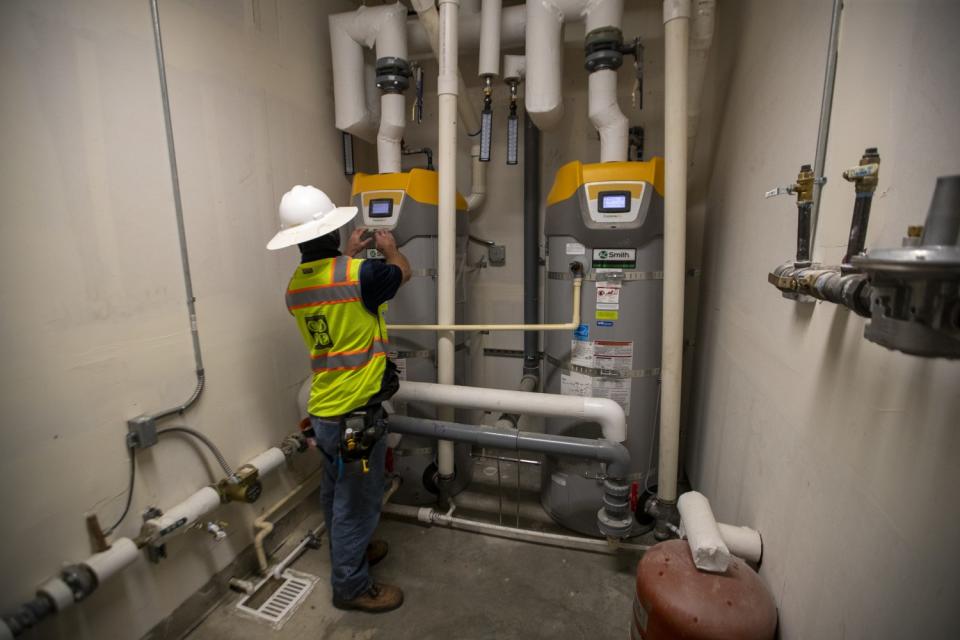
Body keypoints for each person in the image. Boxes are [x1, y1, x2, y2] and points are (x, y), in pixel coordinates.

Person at [267, 185, 411, 613]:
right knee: (358, 502)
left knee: (334, 492)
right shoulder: (360, 275)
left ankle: (354, 552)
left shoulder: (295, 287)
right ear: (333, 229)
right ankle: (350, 586)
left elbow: (331, 288)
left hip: (325, 410)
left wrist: (347, 253)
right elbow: (403, 272)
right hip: (355, 414)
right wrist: (391, 249)